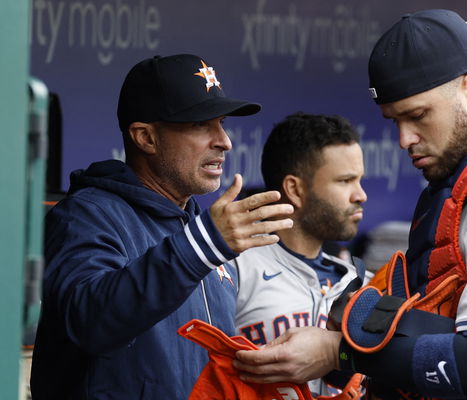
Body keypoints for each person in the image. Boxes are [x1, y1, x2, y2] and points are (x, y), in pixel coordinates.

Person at [234, 9, 467, 400]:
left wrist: (340, 352)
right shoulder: (465, 183)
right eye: (393, 121)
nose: (404, 139)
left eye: (416, 116)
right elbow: (444, 329)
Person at [30, 53, 294, 399]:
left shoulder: (198, 228)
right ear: (145, 138)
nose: (224, 141)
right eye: (202, 124)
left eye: (222, 124)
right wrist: (202, 246)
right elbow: (91, 323)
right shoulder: (87, 216)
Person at [232, 113, 368, 395]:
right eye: (345, 181)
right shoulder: (236, 270)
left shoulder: (363, 282)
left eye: (359, 180)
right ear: (295, 189)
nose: (360, 195)